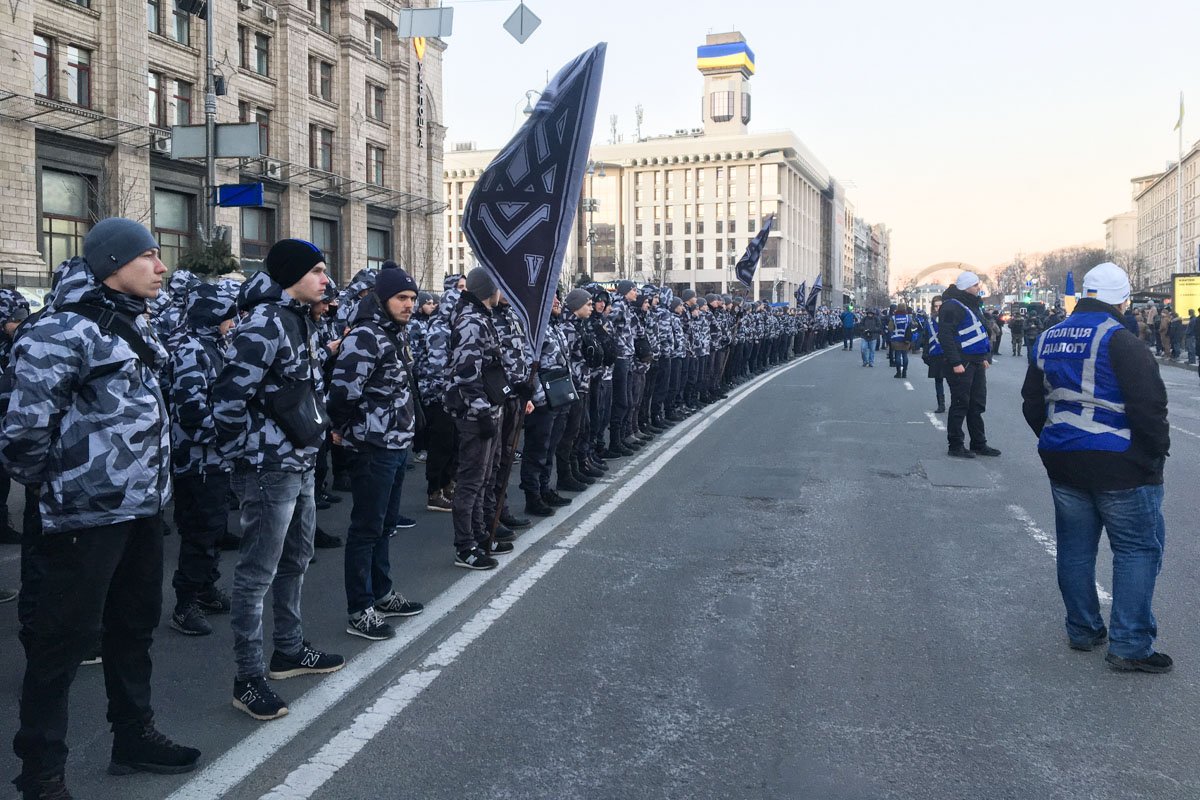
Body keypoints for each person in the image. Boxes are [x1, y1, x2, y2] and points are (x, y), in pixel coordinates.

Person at [1, 219, 200, 800]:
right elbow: (21, 434)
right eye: (151, 257)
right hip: (80, 518)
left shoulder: (135, 322)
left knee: (133, 626)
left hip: (139, 510)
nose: (162, 268)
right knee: (59, 643)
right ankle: (41, 773)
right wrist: (58, 488)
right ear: (113, 261)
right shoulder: (58, 332)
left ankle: (133, 736)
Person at [213, 239, 345, 722]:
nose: (324, 280)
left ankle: (287, 650)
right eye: (315, 270)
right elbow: (228, 396)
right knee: (256, 574)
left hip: (300, 462)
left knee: (297, 558)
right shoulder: (267, 322)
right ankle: (248, 677)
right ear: (290, 276)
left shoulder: (300, 320)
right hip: (270, 468)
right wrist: (241, 456)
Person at [1021, 262, 1171, 673]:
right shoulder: (1121, 339)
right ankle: (1130, 645)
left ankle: (1083, 629)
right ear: (1122, 298)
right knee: (1137, 550)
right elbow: (1149, 408)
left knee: (1074, 548)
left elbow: (1032, 402)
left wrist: (1054, 439)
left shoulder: (1048, 337)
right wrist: (1154, 456)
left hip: (1064, 459)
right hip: (1121, 463)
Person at [328, 267, 426, 641]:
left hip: (397, 444)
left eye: (413, 299)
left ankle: (382, 593)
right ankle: (360, 608)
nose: (409, 305)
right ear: (382, 298)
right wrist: (341, 429)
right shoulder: (366, 336)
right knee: (366, 528)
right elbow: (342, 392)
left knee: (384, 526)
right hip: (372, 446)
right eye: (402, 298)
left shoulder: (394, 334)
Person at [168, 282, 238, 636]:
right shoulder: (191, 350)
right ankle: (186, 601)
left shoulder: (213, 346)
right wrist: (229, 433)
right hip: (197, 460)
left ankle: (206, 587)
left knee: (214, 528)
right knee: (199, 530)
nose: (232, 321)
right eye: (226, 315)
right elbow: (191, 411)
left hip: (216, 459)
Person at [445, 268, 512, 569]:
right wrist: (482, 410)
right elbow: (466, 371)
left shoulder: (483, 317)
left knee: (485, 477)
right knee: (471, 480)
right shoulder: (472, 321)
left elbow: (490, 367)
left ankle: (481, 535)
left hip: (488, 407)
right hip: (475, 413)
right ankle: (465, 546)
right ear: (489, 290)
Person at [938, 271, 999, 458]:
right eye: (975, 285)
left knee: (977, 404)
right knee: (960, 403)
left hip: (976, 362)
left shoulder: (972, 305)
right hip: (961, 363)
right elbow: (945, 335)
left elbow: (981, 332)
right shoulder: (951, 306)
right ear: (965, 287)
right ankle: (955, 445)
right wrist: (956, 362)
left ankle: (978, 443)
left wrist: (984, 358)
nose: (978, 288)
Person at [920, 296, 947, 413]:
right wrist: (925, 354)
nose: (938, 308)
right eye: (935, 306)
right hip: (935, 354)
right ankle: (941, 404)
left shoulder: (950, 319)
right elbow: (925, 339)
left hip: (949, 355)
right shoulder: (929, 321)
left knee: (954, 381)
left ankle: (958, 404)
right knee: (938, 381)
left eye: (940, 306)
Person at [888, 304, 913, 378]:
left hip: (896, 339)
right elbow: (913, 326)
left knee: (897, 355)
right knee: (905, 355)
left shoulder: (893, 317)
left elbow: (890, 328)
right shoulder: (908, 317)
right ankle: (904, 372)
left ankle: (898, 373)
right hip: (906, 339)